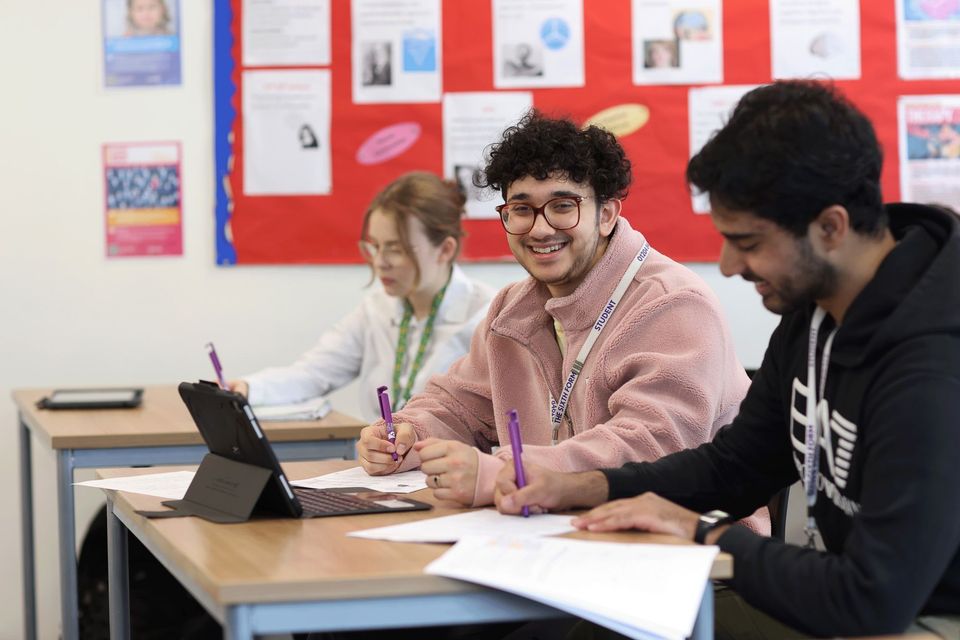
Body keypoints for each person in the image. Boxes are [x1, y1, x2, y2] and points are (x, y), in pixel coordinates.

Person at [496, 81, 960, 638]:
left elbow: (873, 598)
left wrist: (702, 532)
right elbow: (736, 467)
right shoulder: (814, 311)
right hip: (850, 597)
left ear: (831, 228)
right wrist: (586, 486)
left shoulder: (932, 365)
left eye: (748, 241)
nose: (728, 265)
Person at [358, 111, 765, 535]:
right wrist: (407, 433)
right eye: (521, 209)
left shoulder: (673, 304)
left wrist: (510, 472)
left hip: (689, 550)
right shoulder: (511, 311)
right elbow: (457, 405)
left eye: (562, 206)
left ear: (607, 214)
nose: (539, 228)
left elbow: (652, 449)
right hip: (562, 532)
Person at [228, 172, 495, 423]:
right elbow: (314, 373)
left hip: (449, 467)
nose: (380, 262)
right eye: (374, 246)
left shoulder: (486, 317)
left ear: (445, 249)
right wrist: (250, 388)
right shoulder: (377, 309)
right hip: (382, 464)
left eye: (396, 249)